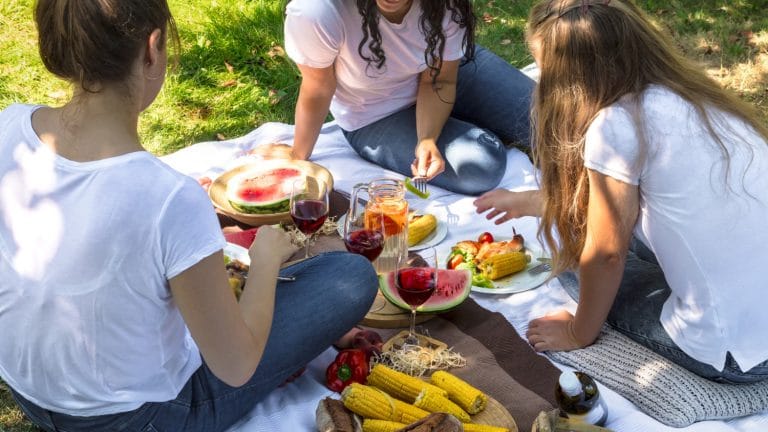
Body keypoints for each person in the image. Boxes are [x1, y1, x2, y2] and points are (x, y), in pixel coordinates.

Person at [0, 1, 378, 431]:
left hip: (29, 392)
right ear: (152, 48)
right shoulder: (169, 197)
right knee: (350, 277)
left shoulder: (8, 125)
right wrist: (266, 260)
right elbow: (236, 366)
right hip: (138, 419)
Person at [474, 0, 768, 383]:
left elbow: (606, 255)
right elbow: (616, 207)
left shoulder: (615, 125)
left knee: (570, 265)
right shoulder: (695, 95)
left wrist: (578, 332)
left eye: (545, 70)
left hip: (739, 354)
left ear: (571, 79)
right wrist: (532, 202)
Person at [278, 0, 535, 196]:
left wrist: (427, 138)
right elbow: (318, 88)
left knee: (549, 118)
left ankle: (465, 119)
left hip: (444, 70)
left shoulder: (446, 5)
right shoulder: (317, 11)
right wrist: (297, 155)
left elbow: (439, 80)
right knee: (481, 165)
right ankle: (471, 123)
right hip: (376, 113)